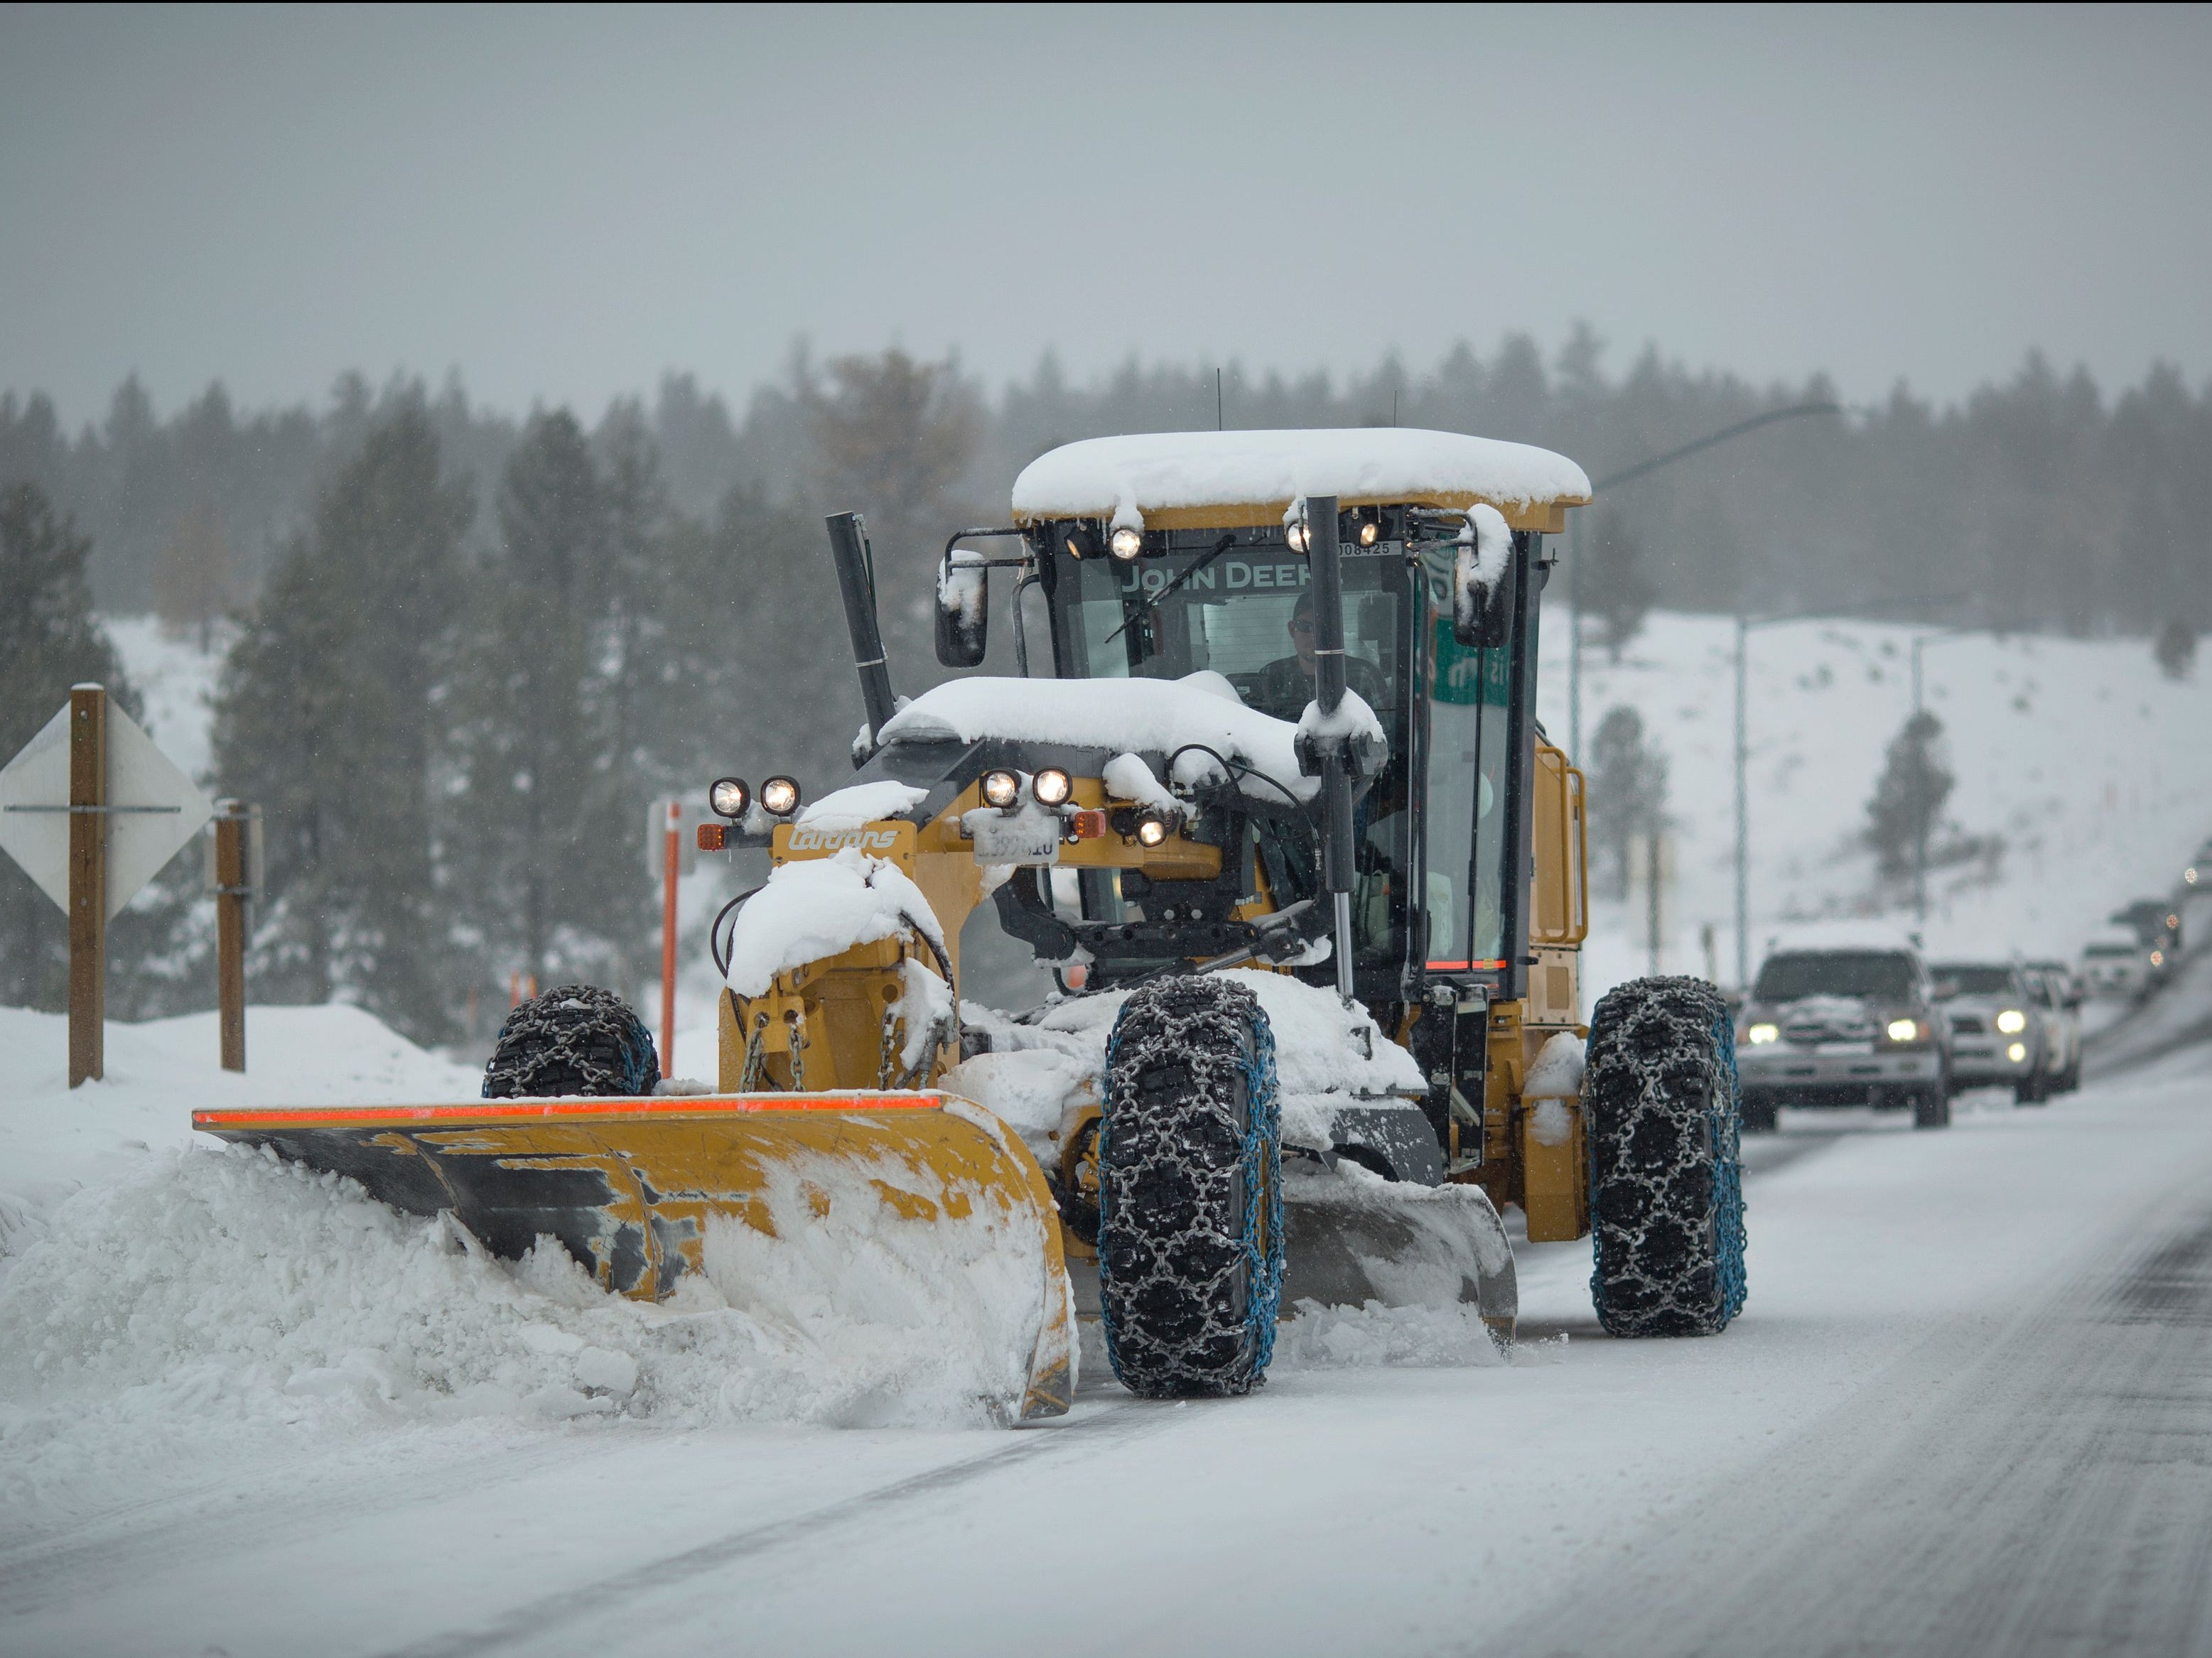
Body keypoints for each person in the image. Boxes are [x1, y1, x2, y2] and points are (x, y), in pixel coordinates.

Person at [1249, 590, 1388, 720]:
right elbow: (1255, 737)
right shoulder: (1271, 677)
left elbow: (1383, 737)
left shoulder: (1364, 676)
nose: (1314, 635)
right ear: (1292, 630)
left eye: (1323, 627)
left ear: (1335, 630)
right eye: (1305, 626)